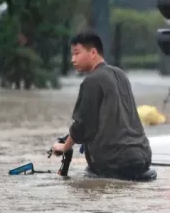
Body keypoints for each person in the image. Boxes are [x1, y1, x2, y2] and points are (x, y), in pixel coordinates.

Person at [51, 30, 153, 180]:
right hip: (143, 157)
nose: (73, 59)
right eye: (72, 55)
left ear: (93, 53)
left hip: (114, 163)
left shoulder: (92, 81)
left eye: (77, 53)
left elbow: (82, 126)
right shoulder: (120, 74)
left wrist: (64, 147)